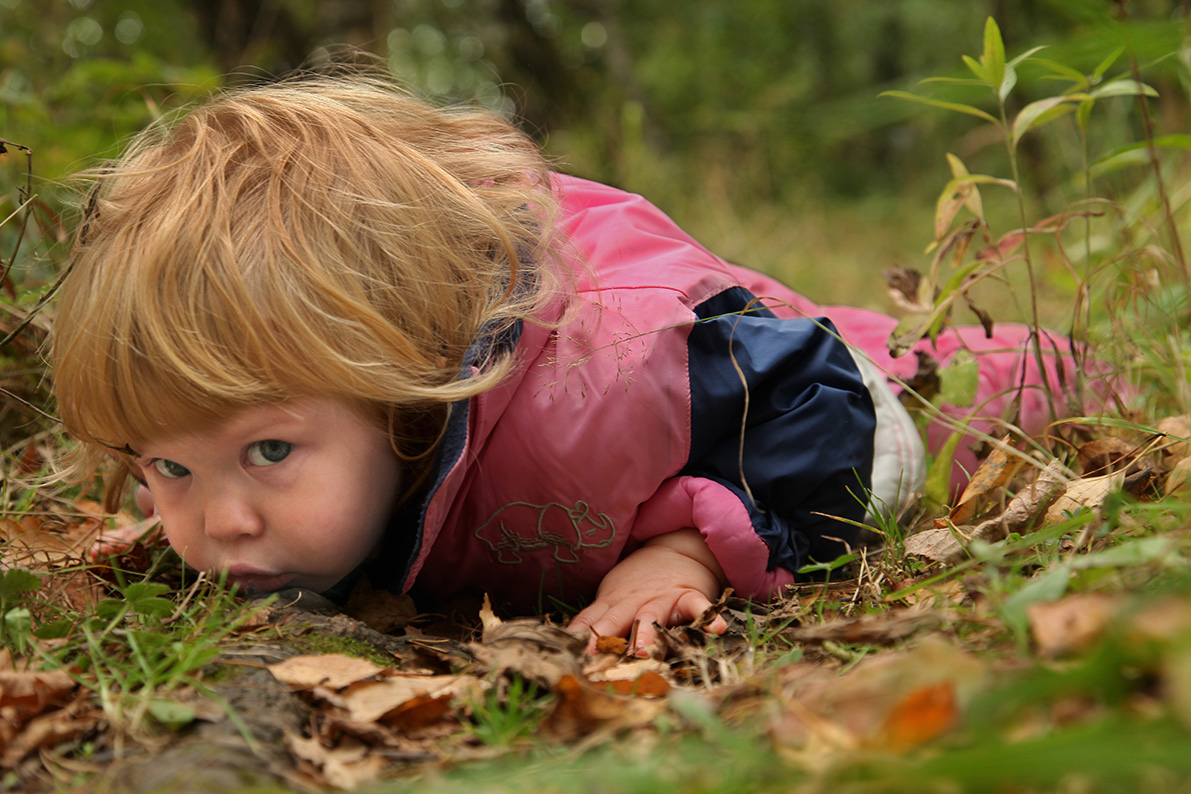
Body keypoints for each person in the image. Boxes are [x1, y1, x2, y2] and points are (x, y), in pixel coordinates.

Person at [51, 73, 1083, 655]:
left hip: (817, 378)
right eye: (169, 468)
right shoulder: (306, 437)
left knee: (999, 378)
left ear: (398, 379)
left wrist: (693, 549)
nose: (217, 524)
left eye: (268, 449)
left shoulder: (610, 384)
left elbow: (838, 410)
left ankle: (1090, 358)